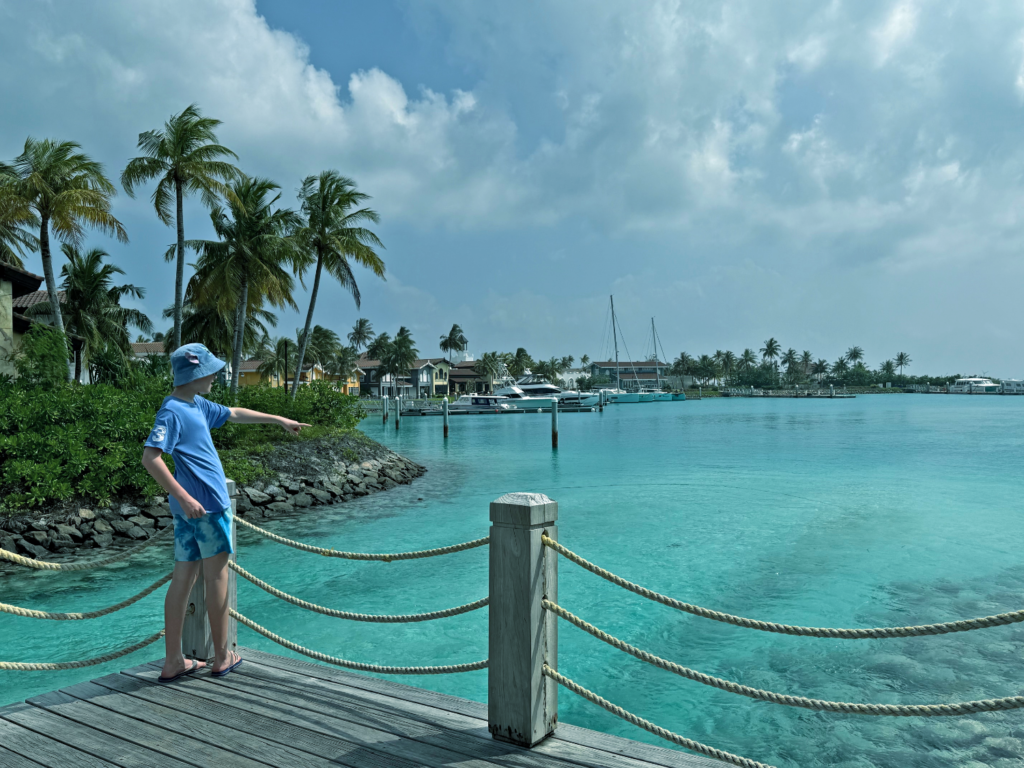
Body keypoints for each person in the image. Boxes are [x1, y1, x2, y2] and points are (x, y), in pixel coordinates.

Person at [141, 343, 309, 682]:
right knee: (217, 579)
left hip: (190, 511)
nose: (216, 377)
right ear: (196, 373)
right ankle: (221, 655)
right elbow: (150, 458)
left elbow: (233, 413)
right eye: (211, 371)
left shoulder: (195, 403)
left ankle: (174, 660)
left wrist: (279, 420)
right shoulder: (173, 410)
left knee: (183, 579)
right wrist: (185, 497)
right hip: (207, 508)